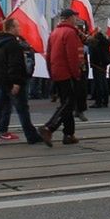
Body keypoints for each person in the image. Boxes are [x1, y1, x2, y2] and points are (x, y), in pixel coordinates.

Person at [0, 18, 47, 146]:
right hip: (13, 83)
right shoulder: (13, 45)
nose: (20, 29)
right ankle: (31, 136)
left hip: (1, 82)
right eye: (17, 26)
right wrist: (16, 83)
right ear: (11, 28)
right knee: (22, 109)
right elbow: (15, 65)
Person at [38, 8, 84, 146]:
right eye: (75, 17)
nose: (76, 20)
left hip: (57, 72)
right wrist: (76, 74)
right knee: (67, 104)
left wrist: (51, 73)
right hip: (67, 73)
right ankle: (49, 127)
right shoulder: (70, 33)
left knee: (66, 104)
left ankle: (68, 134)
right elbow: (72, 57)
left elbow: (49, 55)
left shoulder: (54, 32)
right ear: (70, 18)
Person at [88, 30, 110, 108]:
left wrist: (92, 63)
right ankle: (105, 101)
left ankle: (98, 102)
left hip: (97, 65)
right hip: (103, 64)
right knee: (104, 82)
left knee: (98, 83)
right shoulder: (105, 42)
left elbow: (94, 55)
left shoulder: (95, 44)